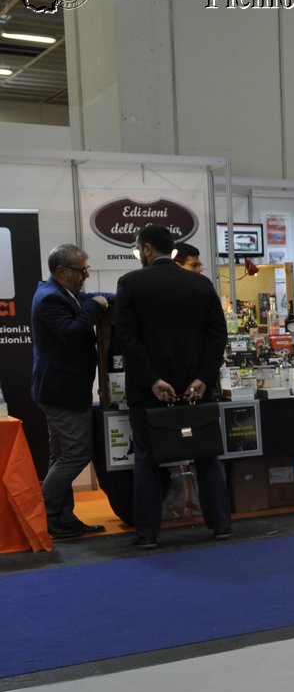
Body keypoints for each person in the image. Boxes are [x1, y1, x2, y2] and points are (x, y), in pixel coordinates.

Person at [114, 224, 231, 549]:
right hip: (197, 390)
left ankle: (148, 533)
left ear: (147, 249)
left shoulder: (131, 283)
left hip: (149, 391)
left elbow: (128, 339)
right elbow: (217, 336)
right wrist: (202, 379)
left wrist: (153, 380)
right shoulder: (200, 284)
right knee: (206, 456)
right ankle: (221, 525)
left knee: (148, 460)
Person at [30, 243, 109, 539]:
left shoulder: (63, 293)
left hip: (59, 389)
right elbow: (72, 334)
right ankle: (44, 514)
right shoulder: (50, 298)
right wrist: (94, 307)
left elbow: (91, 298)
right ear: (62, 271)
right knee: (76, 454)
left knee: (61, 455)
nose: (86, 276)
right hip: (61, 392)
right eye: (82, 270)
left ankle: (61, 518)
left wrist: (119, 297)